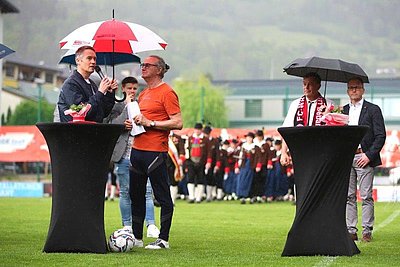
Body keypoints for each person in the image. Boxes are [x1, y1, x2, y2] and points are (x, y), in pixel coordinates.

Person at [130, 55, 183, 250]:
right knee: (135, 196)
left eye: (147, 65)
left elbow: (178, 122)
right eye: (142, 65)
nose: (143, 68)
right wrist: (132, 123)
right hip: (137, 150)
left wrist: (150, 123)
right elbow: (141, 120)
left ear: (159, 69)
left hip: (155, 152)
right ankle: (136, 237)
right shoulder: (143, 94)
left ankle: (163, 239)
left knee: (162, 198)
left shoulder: (167, 92)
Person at [103, 76, 159, 238]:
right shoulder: (116, 106)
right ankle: (127, 226)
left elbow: (150, 125)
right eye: (129, 88)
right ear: (123, 89)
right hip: (123, 155)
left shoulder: (143, 106)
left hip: (142, 154)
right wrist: (123, 120)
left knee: (147, 192)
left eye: (135, 88)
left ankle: (151, 225)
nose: (132, 91)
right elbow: (109, 125)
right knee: (125, 192)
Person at [343, 77, 386, 242]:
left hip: (365, 156)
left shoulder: (373, 110)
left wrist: (369, 155)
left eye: (357, 87)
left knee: (366, 195)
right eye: (351, 87)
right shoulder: (343, 110)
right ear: (347, 90)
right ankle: (351, 230)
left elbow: (380, 136)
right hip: (347, 158)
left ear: (363, 89)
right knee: (348, 196)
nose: (354, 90)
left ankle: (367, 231)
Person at [57, 45, 118, 122]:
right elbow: (81, 112)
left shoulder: (92, 84)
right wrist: (100, 92)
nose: (93, 62)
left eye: (95, 59)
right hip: (75, 132)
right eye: (89, 58)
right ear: (78, 61)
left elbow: (103, 113)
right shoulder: (70, 84)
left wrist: (110, 93)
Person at [280, 72, 329, 166]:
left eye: (310, 84)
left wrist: (327, 116)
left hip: (321, 153)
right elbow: (286, 129)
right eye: (304, 84)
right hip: (300, 152)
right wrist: (283, 152)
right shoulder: (295, 104)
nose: (306, 87)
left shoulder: (328, 104)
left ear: (318, 86)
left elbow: (334, 131)